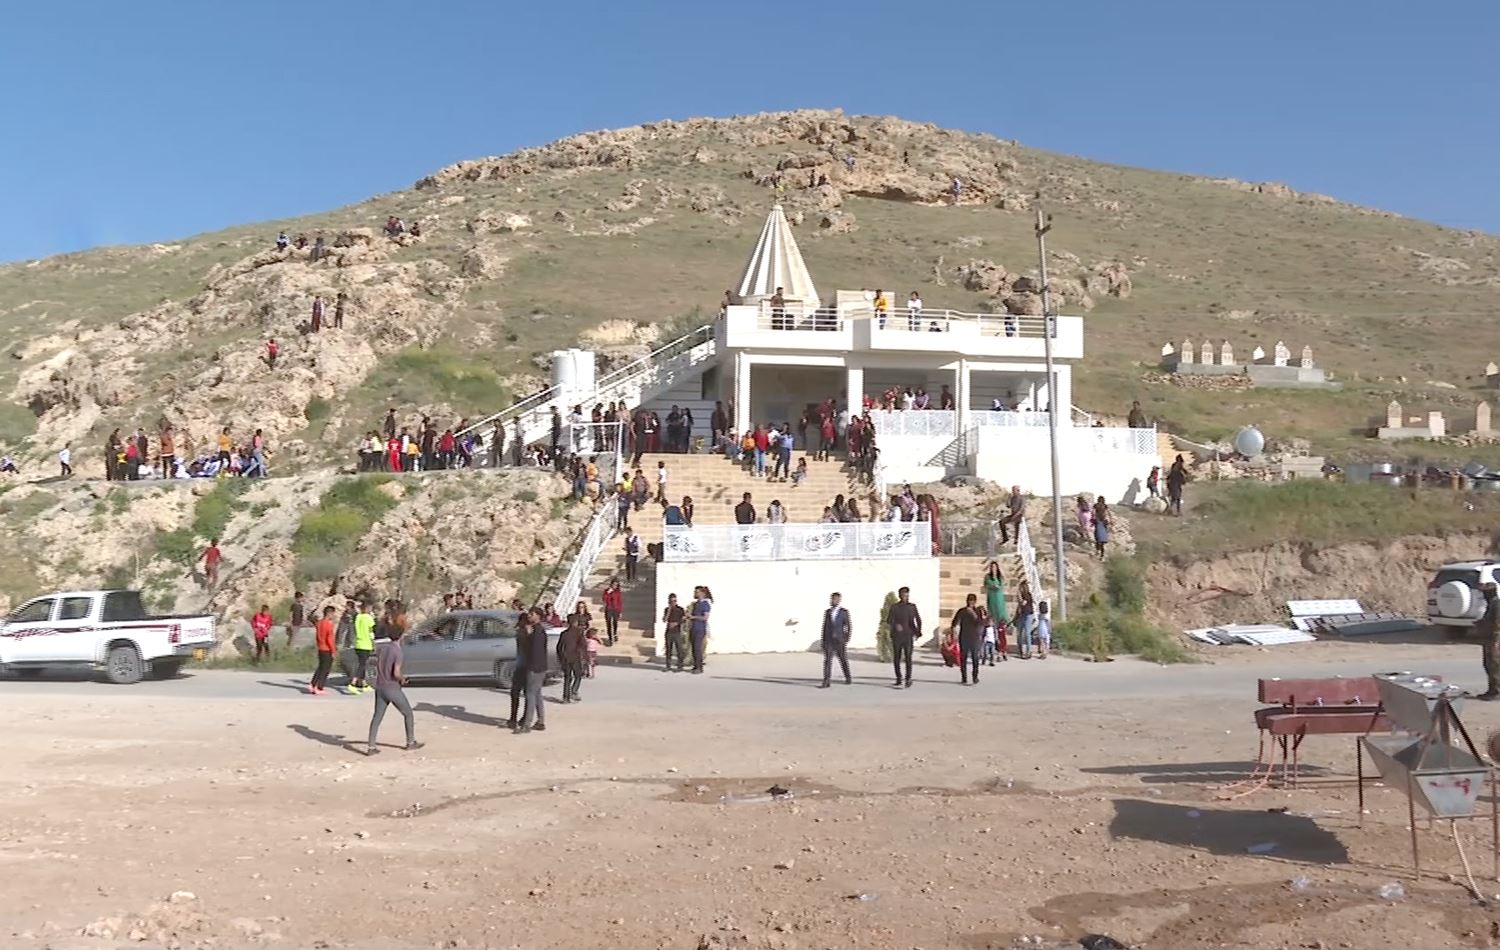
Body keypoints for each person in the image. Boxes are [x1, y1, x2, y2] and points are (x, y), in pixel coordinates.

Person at [365, 613, 422, 755]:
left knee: (377, 717)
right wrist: (403, 679)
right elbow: (396, 672)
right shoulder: (398, 651)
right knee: (408, 713)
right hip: (391, 687)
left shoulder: (383, 648)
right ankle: (410, 742)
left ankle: (371, 746)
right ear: (401, 636)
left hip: (380, 686)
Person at [516, 607, 549, 733]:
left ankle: (526, 725)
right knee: (537, 694)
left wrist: (528, 637)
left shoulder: (537, 632)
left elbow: (534, 651)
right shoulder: (538, 630)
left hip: (534, 667)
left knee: (530, 694)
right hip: (540, 666)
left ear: (538, 616)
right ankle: (540, 721)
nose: (529, 616)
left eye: (532, 614)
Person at [887, 586, 922, 688]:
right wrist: (895, 625)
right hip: (897, 636)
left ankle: (908, 678)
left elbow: (918, 620)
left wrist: (918, 632)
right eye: (903, 595)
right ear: (900, 596)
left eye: (907, 595)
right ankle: (898, 678)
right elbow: (889, 620)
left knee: (908, 658)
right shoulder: (894, 607)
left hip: (908, 636)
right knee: (897, 658)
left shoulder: (912, 607)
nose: (905, 597)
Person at [819, 592, 852, 688]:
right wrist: (823, 640)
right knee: (828, 660)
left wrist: (846, 638)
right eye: (832, 599)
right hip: (829, 640)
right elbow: (825, 627)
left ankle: (848, 677)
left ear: (839, 600)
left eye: (835, 599)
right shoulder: (828, 612)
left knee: (842, 659)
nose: (833, 601)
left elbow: (848, 626)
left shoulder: (844, 612)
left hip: (839, 640)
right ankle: (826, 681)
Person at [951, 593, 984, 685]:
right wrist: (954, 633)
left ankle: (975, 677)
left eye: (973, 601)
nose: (971, 602)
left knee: (975, 658)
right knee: (963, 658)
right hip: (964, 636)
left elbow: (980, 623)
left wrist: (973, 614)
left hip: (974, 637)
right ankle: (964, 677)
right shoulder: (962, 611)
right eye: (969, 600)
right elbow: (954, 622)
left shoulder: (977, 611)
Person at [1477, 584, 1500, 700]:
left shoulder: (1497, 605)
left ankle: (1496, 691)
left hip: (1494, 639)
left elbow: (1497, 624)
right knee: (1488, 664)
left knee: (1494, 665)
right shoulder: (1491, 604)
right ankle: (1491, 689)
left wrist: (1496, 642)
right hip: (1488, 638)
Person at [557, 613, 586, 703]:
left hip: (565, 657)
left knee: (567, 677)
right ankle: (574, 691)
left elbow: (559, 647)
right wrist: (584, 656)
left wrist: (560, 658)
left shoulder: (564, 633)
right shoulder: (579, 633)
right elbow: (583, 645)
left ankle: (566, 697)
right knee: (578, 675)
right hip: (575, 657)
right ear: (575, 622)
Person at [309, 605, 337, 695]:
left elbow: (318, 636)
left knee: (320, 667)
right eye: (333, 614)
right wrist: (333, 651)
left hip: (320, 648)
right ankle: (319, 687)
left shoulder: (319, 623)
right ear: (329, 613)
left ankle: (313, 684)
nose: (333, 616)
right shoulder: (329, 624)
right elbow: (330, 639)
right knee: (325, 669)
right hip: (327, 649)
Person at [982, 561, 1008, 658]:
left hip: (1000, 605)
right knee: (992, 630)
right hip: (992, 604)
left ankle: (1003, 650)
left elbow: (1001, 586)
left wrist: (997, 586)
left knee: (1001, 630)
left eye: (995, 567)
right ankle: (993, 650)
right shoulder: (988, 577)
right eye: (992, 567)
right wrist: (992, 586)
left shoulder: (1000, 578)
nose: (993, 569)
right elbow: (987, 585)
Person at [351, 600, 376, 693]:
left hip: (358, 643)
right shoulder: (368, 618)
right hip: (366, 643)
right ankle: (353, 683)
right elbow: (371, 631)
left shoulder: (358, 617)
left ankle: (363, 683)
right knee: (362, 665)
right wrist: (373, 642)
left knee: (362, 663)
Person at [688, 586, 712, 674]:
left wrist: (694, 617)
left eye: (697, 592)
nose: (695, 593)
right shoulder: (695, 604)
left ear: (702, 593)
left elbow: (705, 617)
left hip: (700, 628)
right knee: (694, 648)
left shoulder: (705, 604)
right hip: (693, 627)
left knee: (698, 648)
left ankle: (699, 667)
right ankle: (695, 665)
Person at [661, 592, 687, 672]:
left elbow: (684, 620)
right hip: (669, 632)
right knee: (668, 649)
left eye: (674, 601)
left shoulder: (680, 609)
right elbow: (664, 620)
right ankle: (668, 665)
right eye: (671, 601)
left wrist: (676, 623)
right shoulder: (667, 609)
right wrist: (669, 610)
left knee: (679, 649)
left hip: (677, 631)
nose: (673, 603)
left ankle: (680, 666)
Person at [1014, 582, 1037, 659]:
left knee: (1027, 633)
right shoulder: (1020, 595)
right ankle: (1020, 650)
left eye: (1021, 587)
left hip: (1028, 615)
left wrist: (1019, 597)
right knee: (1019, 634)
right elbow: (1019, 606)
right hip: (1021, 615)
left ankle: (1028, 651)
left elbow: (1023, 603)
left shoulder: (1028, 595)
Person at [602, 578, 623, 647]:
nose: (614, 586)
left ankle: (615, 634)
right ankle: (610, 638)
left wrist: (620, 611)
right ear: (611, 584)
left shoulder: (618, 592)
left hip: (616, 609)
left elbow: (620, 602)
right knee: (608, 623)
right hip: (609, 609)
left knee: (615, 622)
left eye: (616, 585)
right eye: (613, 585)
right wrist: (608, 592)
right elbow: (604, 599)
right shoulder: (607, 591)